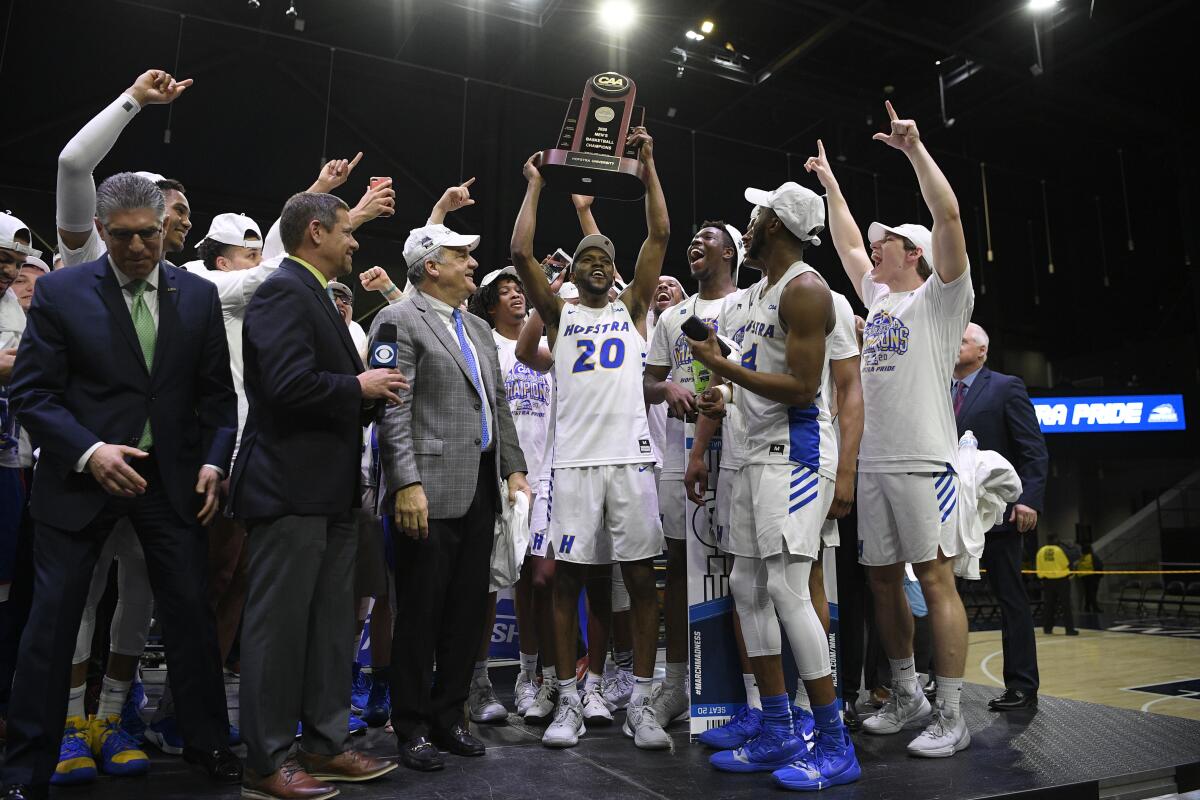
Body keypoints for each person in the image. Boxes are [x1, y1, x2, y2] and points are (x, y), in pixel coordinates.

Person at [2, 173, 241, 800]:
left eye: (150, 234)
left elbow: (218, 398)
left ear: (165, 228)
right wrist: (88, 451)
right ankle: (26, 768)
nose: (139, 247)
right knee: (50, 626)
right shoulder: (60, 292)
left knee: (190, 614)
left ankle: (208, 741)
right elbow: (31, 393)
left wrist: (216, 461)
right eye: (124, 236)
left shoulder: (195, 295)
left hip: (172, 481)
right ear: (103, 232)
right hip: (79, 482)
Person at [805, 103, 975, 759]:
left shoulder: (941, 299)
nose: (873, 248)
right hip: (871, 464)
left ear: (915, 254)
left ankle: (952, 713)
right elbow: (848, 243)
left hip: (922, 461)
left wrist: (914, 151)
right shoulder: (876, 301)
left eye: (887, 242)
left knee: (934, 578)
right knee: (880, 579)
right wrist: (832, 187)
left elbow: (951, 218)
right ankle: (907, 694)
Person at [230, 191, 404, 799]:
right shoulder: (283, 290)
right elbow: (281, 384)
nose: (354, 241)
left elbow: (316, 389)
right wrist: (356, 384)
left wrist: (362, 397)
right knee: (278, 631)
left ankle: (325, 746)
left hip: (329, 490)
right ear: (315, 232)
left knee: (331, 626)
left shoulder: (317, 297)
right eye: (346, 231)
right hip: (287, 487)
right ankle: (265, 760)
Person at [687, 182, 860, 791]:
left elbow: (804, 387)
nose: (749, 222)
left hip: (797, 456)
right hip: (752, 453)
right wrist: (722, 393)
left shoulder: (808, 290)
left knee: (788, 590)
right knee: (746, 586)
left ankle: (835, 740)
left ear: (779, 226)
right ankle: (778, 725)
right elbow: (754, 377)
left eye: (757, 215)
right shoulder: (752, 296)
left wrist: (722, 369)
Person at [511, 127, 672, 751]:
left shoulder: (633, 307)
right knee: (568, 582)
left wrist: (648, 169)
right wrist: (533, 188)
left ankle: (639, 700)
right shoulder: (561, 313)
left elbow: (657, 235)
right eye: (587, 258)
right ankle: (569, 701)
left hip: (629, 462)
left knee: (638, 582)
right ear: (573, 273)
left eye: (605, 254)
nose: (598, 261)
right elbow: (522, 253)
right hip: (574, 465)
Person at [371, 222, 530, 772]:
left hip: (480, 487)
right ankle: (410, 724)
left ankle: (448, 716)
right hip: (427, 490)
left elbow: (500, 406)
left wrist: (513, 470)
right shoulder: (397, 319)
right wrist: (406, 483)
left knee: (466, 612)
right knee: (419, 613)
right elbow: (391, 409)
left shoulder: (479, 329)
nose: (472, 263)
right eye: (462, 255)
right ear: (431, 266)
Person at [643, 221, 742, 727]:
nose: (695, 242)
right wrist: (669, 392)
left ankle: (745, 687)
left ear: (731, 251)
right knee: (682, 563)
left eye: (707, 235)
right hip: (680, 450)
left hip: (740, 444)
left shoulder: (748, 305)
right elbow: (649, 383)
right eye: (693, 236)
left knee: (744, 567)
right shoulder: (673, 317)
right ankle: (678, 682)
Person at [953, 321, 1049, 710]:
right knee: (945, 600)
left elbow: (1033, 448)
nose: (955, 345)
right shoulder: (939, 389)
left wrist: (1028, 499)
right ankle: (940, 683)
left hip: (1000, 513)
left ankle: (1022, 685)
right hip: (953, 513)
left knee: (1010, 598)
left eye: (963, 340)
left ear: (982, 351)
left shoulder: (1006, 386)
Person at [1036, 534, 1079, 636]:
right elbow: (1067, 562)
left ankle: (1047, 628)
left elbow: (1039, 566)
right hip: (1061, 580)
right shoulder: (1059, 550)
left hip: (1047, 581)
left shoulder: (1041, 551)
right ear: (1056, 540)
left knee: (1049, 605)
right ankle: (1069, 629)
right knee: (1065, 605)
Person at [1079, 544, 1103, 613]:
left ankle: (1087, 607)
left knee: (1087, 592)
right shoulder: (1093, 556)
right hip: (1092, 576)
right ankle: (1095, 608)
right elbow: (1099, 565)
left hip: (1084, 577)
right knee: (1093, 593)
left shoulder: (1082, 558)